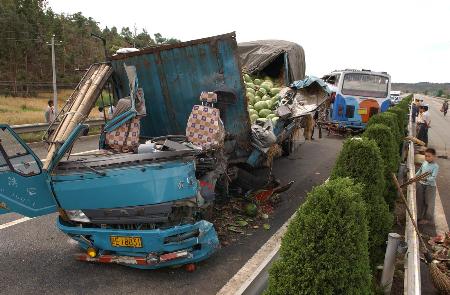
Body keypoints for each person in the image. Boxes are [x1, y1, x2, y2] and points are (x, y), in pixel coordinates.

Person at [415, 148, 439, 225]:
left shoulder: (435, 166)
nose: (427, 158)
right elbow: (420, 171)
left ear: (434, 156)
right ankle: (419, 216)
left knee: (429, 202)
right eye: (426, 156)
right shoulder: (424, 162)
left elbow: (433, 178)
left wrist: (425, 178)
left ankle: (427, 218)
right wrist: (414, 177)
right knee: (420, 200)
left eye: (429, 156)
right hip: (421, 184)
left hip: (430, 187)